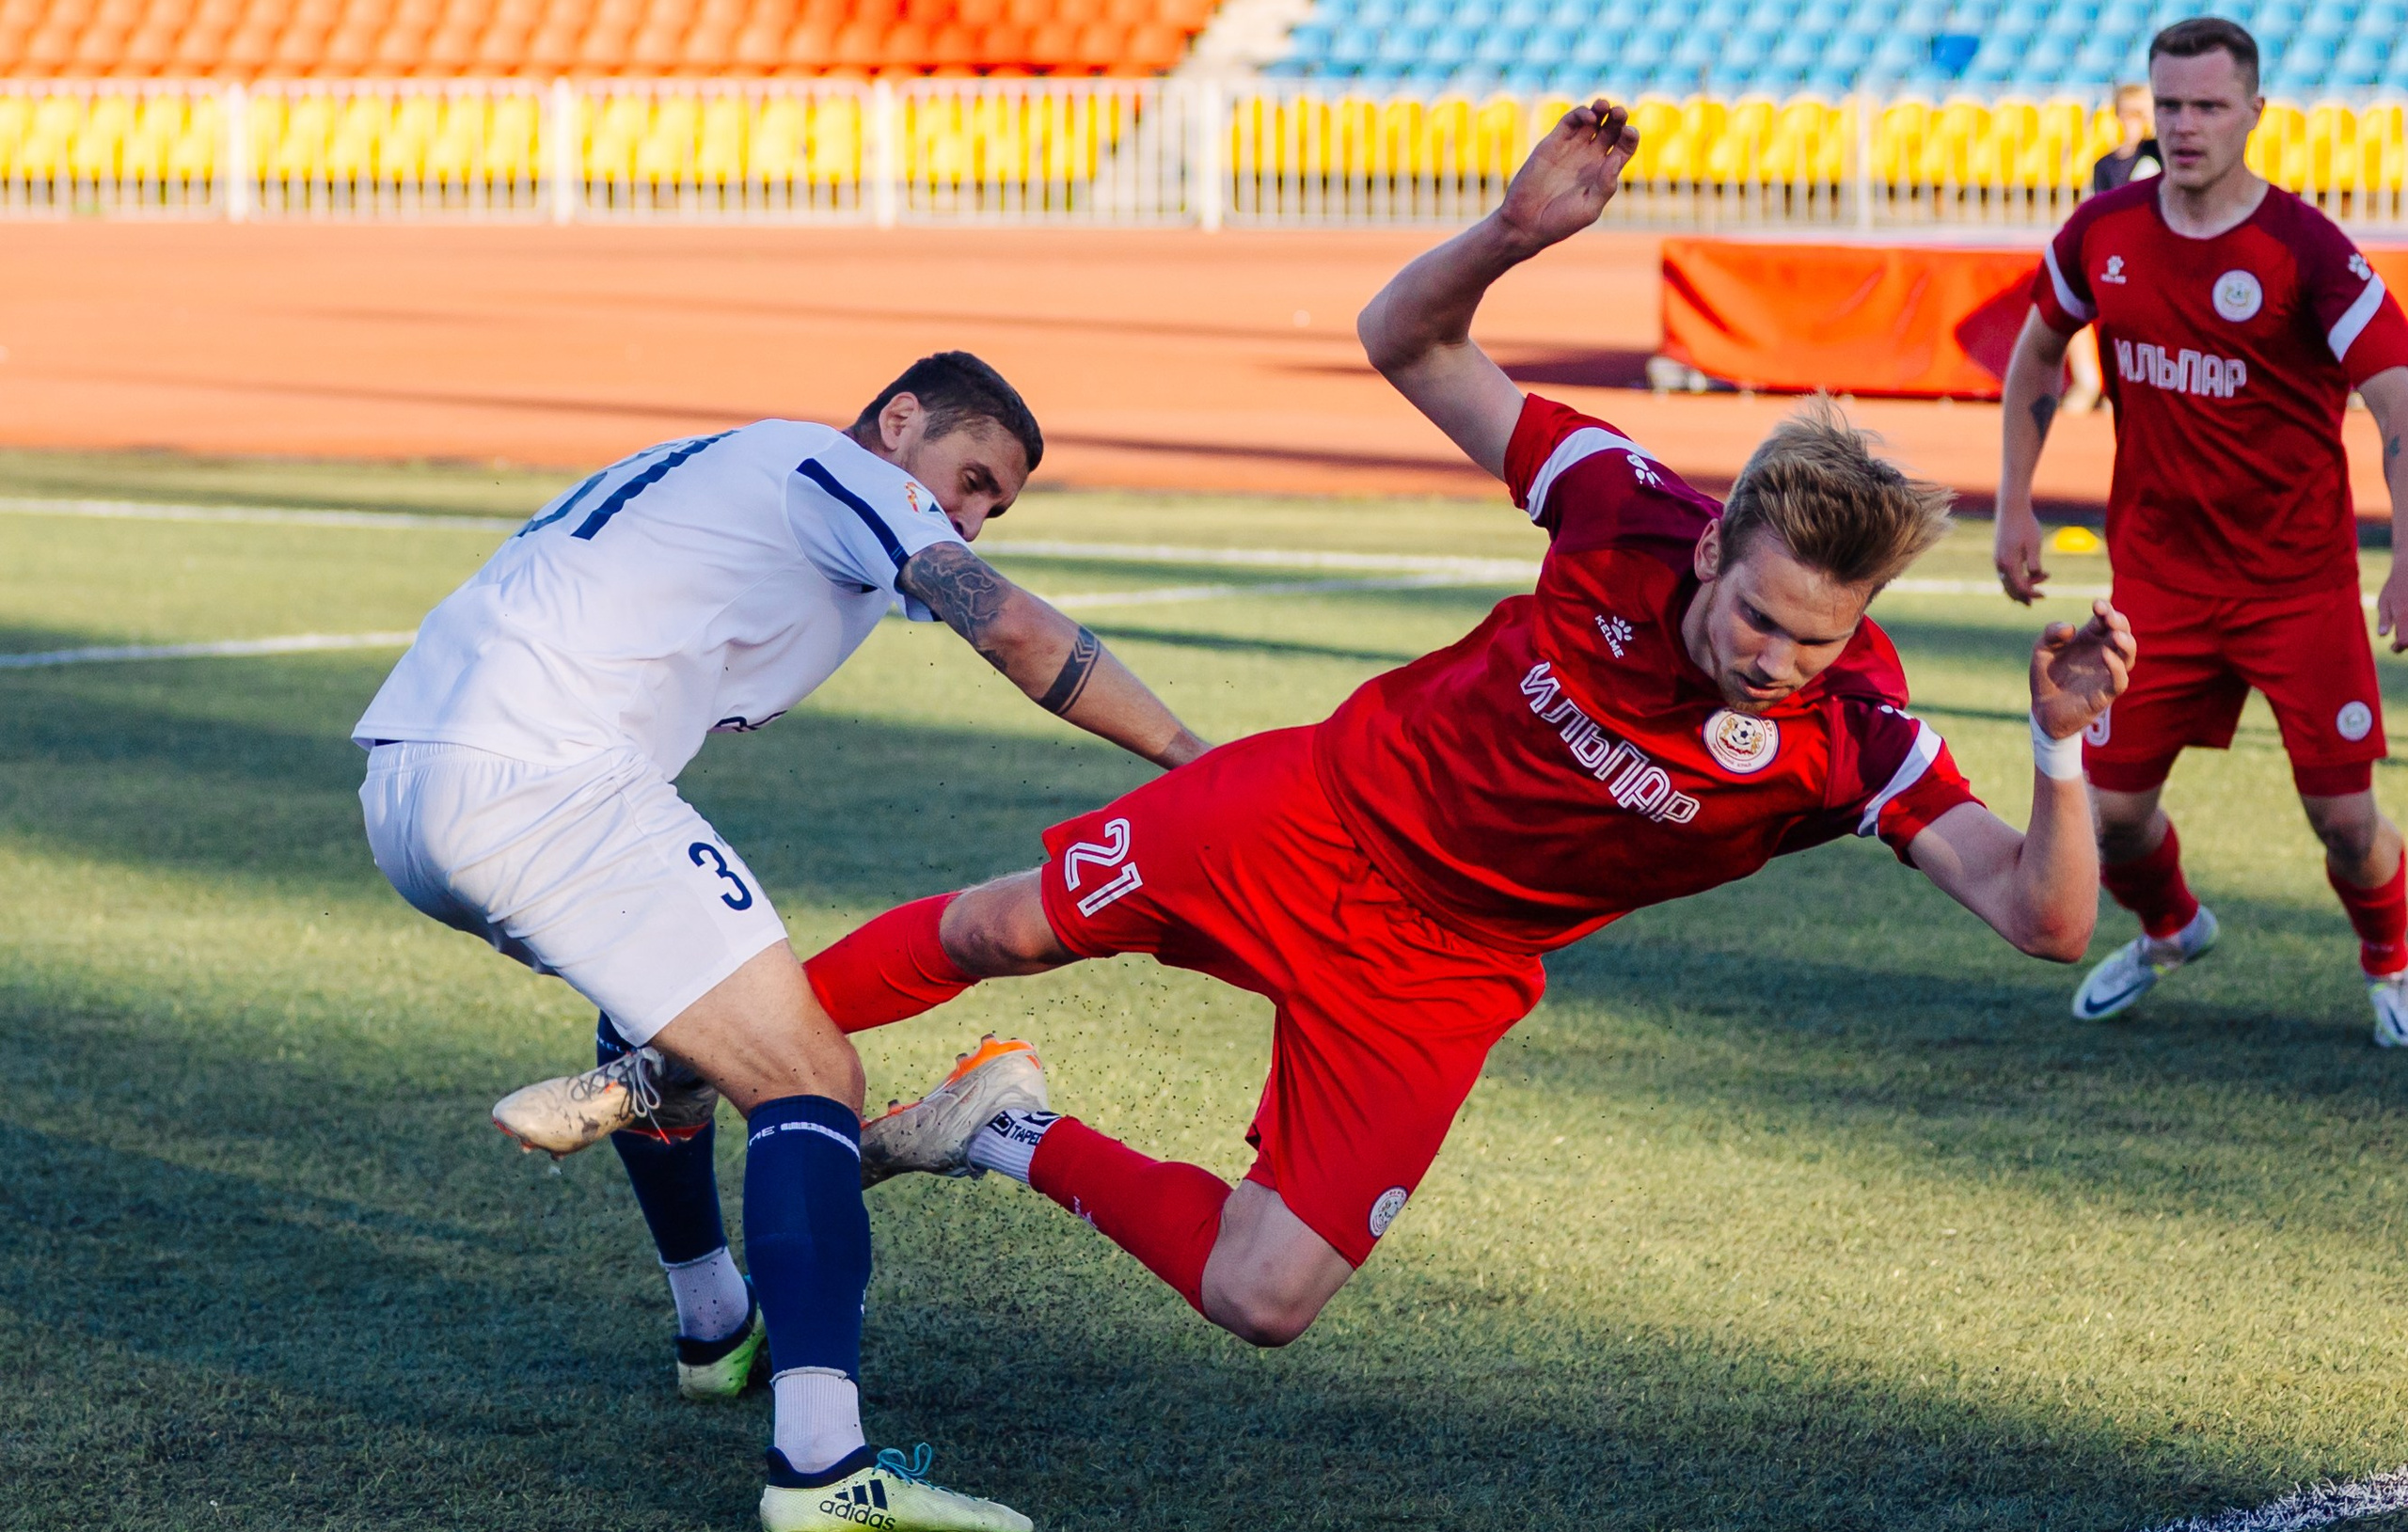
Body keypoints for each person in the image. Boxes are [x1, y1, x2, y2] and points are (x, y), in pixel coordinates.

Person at [515, 103, 2135, 1355]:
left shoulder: (1853, 733)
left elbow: (2040, 916)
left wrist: (2059, 746)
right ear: (1713, 549)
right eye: (1762, 621)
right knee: (1005, 922)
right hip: (1322, 808)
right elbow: (1409, 344)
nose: (1780, 663)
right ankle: (667, 1055)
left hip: (1447, 969)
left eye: (1819, 640)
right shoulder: (1621, 511)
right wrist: (1509, 230)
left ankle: (999, 1128)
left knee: (1267, 1295)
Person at [354, 352, 1207, 1532]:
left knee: (678, 1012)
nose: (963, 514)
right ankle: (822, 1463)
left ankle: (716, 1325)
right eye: (966, 478)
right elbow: (1007, 625)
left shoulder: (761, 474)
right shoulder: (837, 466)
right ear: (898, 420)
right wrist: (1198, 763)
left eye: (989, 506)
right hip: (539, 776)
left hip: (414, 786)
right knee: (807, 1074)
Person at [1995, 18, 2408, 1040]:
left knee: (2347, 823)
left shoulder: (2304, 250)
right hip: (2158, 584)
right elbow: (2037, 356)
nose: (2183, 126)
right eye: (2168, 105)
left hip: (2295, 584)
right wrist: (2014, 500)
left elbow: (2400, 407)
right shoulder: (2103, 230)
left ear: (2253, 115)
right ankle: (2172, 928)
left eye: (2207, 106)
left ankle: (2392, 961)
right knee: (2114, 813)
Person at [2067, 84, 2167, 413]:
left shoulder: (2159, 152)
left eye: (2143, 113)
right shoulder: (2105, 165)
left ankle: (2129, 387)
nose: (2135, 121)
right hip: (2119, 254)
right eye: (2130, 113)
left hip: (2157, 255)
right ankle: (2089, 383)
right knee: (2072, 302)